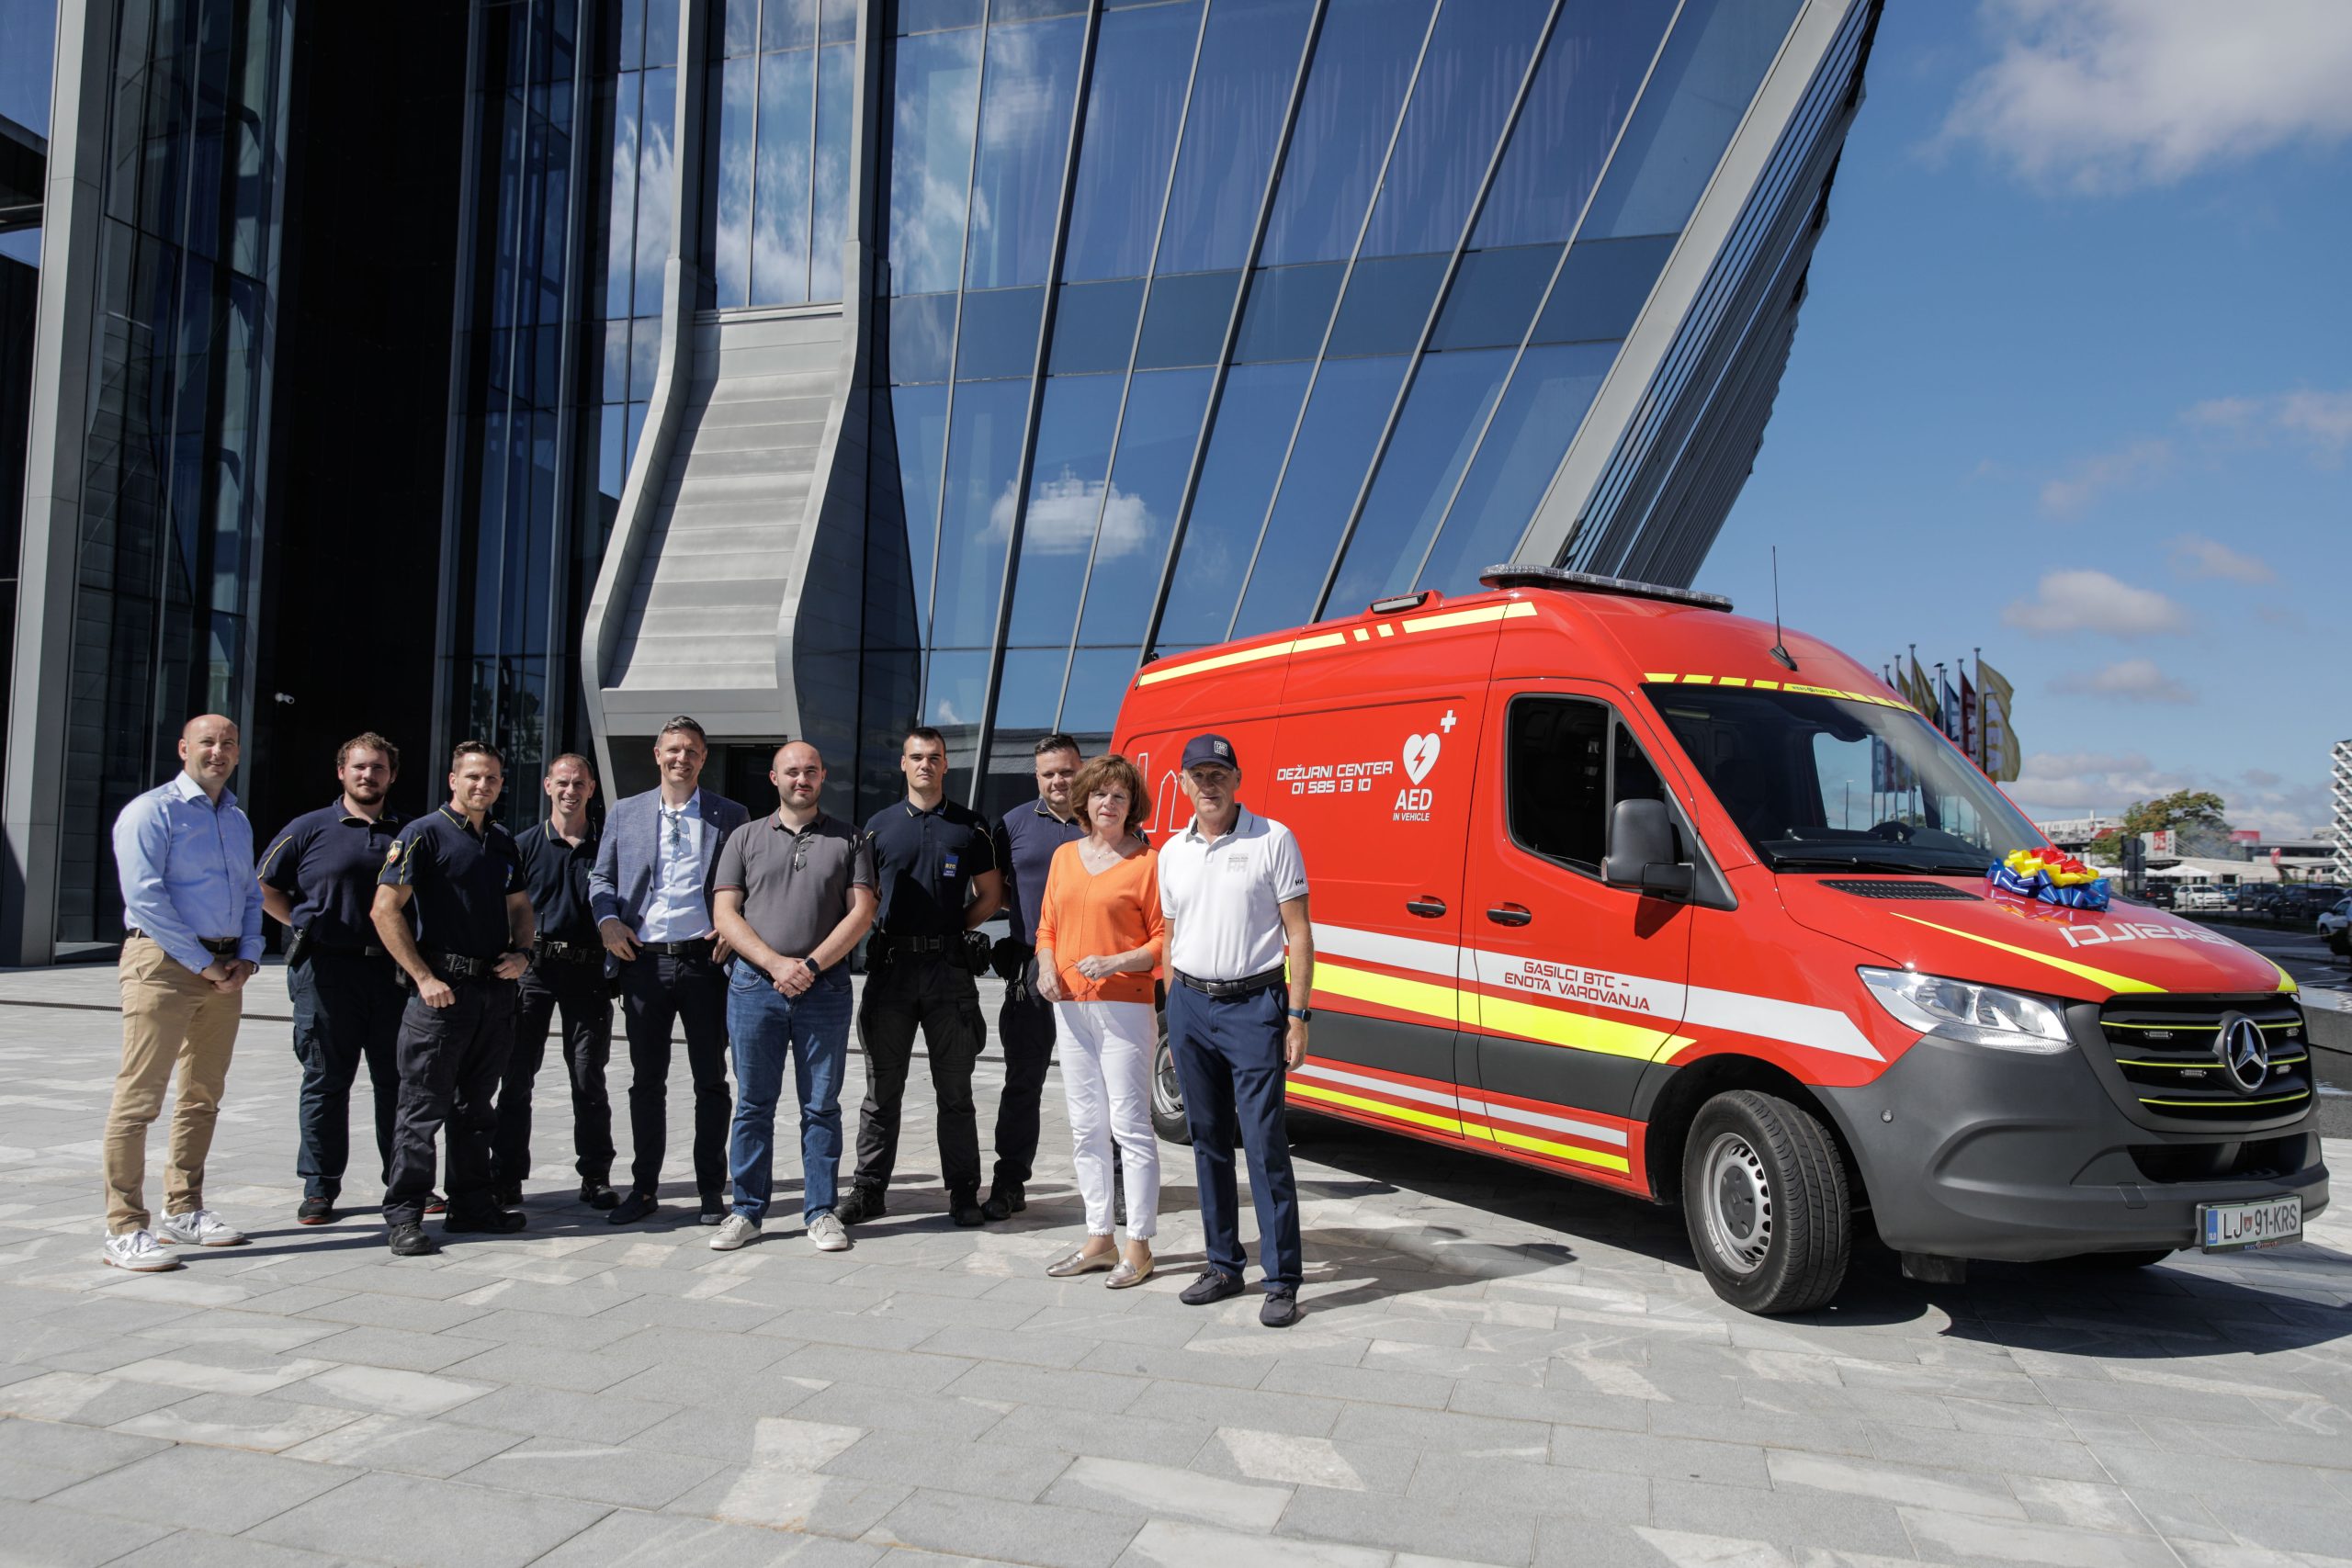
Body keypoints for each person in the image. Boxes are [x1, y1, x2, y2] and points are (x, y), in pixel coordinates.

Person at [1158, 733, 1314, 1327]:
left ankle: (1282, 1279)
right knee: (1207, 1142)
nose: (1209, 784)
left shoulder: (1273, 839)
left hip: (1254, 1006)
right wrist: (1173, 1010)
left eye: (1219, 774)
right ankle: (1223, 1264)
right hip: (1191, 1006)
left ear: (1237, 779)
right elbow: (1171, 934)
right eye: (1198, 775)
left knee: (1266, 1143)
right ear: (1183, 783)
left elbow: (1299, 933)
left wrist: (1297, 1016)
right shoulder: (1172, 852)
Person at [100, 714, 264, 1270]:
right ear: (183, 748)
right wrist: (203, 963)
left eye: (228, 743)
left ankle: (184, 1208)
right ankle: (124, 1228)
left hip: (225, 967)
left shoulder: (236, 818)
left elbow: (250, 894)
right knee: (139, 1100)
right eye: (207, 742)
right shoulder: (151, 811)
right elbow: (145, 898)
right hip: (163, 963)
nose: (218, 751)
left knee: (202, 1095)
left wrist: (247, 956)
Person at [708, 741, 876, 1253]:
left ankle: (821, 1211)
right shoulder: (744, 837)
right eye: (792, 772)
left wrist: (809, 966)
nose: (801, 780)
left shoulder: (850, 839)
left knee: (821, 1106)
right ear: (774, 778)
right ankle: (746, 1211)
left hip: (824, 989)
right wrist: (776, 964)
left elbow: (861, 912)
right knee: (752, 1105)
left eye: (810, 771)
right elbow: (725, 914)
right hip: (753, 988)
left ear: (823, 776)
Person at [370, 740, 534, 1256]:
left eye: (492, 778)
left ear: (501, 784)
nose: (482, 785)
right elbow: (384, 910)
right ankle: (405, 1214)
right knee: (421, 1110)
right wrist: (422, 976)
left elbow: (520, 907)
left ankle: (471, 1206)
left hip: (493, 994)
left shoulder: (502, 842)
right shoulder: (422, 834)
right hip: (440, 997)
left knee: (476, 1108)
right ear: (453, 780)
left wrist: (524, 953)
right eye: (473, 777)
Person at [590, 716, 750, 1225]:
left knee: (712, 1081)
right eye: (674, 749)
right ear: (657, 755)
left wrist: (735, 928)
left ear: (704, 758)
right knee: (646, 1081)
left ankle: (711, 1190)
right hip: (643, 962)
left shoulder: (731, 814)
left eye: (692, 751)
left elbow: (749, 881)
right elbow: (601, 878)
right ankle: (644, 1189)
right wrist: (608, 921)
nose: (682, 758)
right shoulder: (626, 812)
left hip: (706, 963)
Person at [842, 727, 1003, 1228]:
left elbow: (991, 896)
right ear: (903, 764)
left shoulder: (970, 826)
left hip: (949, 973)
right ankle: (869, 1190)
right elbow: (862, 899)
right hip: (891, 969)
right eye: (916, 757)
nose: (925, 765)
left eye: (934, 757)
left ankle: (963, 1192)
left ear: (945, 764)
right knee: (882, 1090)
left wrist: (953, 930)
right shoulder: (878, 827)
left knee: (955, 1091)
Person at [257, 732, 412, 1225]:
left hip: (392, 975)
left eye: (379, 768)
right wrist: (302, 923)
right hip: (325, 972)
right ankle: (319, 1186)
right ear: (342, 772)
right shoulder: (308, 828)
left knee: (398, 1083)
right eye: (360, 767)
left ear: (392, 775)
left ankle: (405, 1184)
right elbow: (263, 885)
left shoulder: (409, 833)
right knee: (325, 1080)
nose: (369, 775)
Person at [1033, 753, 1163, 1288]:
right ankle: (1099, 1238)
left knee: (1130, 1126)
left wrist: (1115, 962)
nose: (1108, 803)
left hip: (1124, 1006)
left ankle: (1140, 1245)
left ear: (1133, 806)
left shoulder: (1148, 863)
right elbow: (1047, 926)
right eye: (1100, 794)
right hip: (1069, 1005)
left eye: (1120, 796)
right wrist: (1046, 967)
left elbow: (1164, 940)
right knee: (1086, 1126)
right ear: (1084, 801)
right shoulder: (1065, 856)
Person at [496, 753, 616, 1210]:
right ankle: (507, 1177)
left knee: (588, 1078)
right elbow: (506, 911)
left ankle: (596, 1176)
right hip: (533, 973)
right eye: (563, 782)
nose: (571, 790)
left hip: (588, 974)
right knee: (516, 1079)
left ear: (591, 789)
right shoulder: (521, 845)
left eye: (579, 783)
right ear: (548, 785)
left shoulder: (607, 847)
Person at [984, 734, 1085, 1222]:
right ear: (1037, 776)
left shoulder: (1108, 819)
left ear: (1081, 769)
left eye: (1067, 771)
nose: (1058, 781)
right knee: (1023, 1079)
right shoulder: (1012, 825)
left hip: (1094, 970)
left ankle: (1116, 1183)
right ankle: (1009, 1183)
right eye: (1049, 773)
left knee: (1105, 1082)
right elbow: (998, 891)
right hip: (1030, 967)